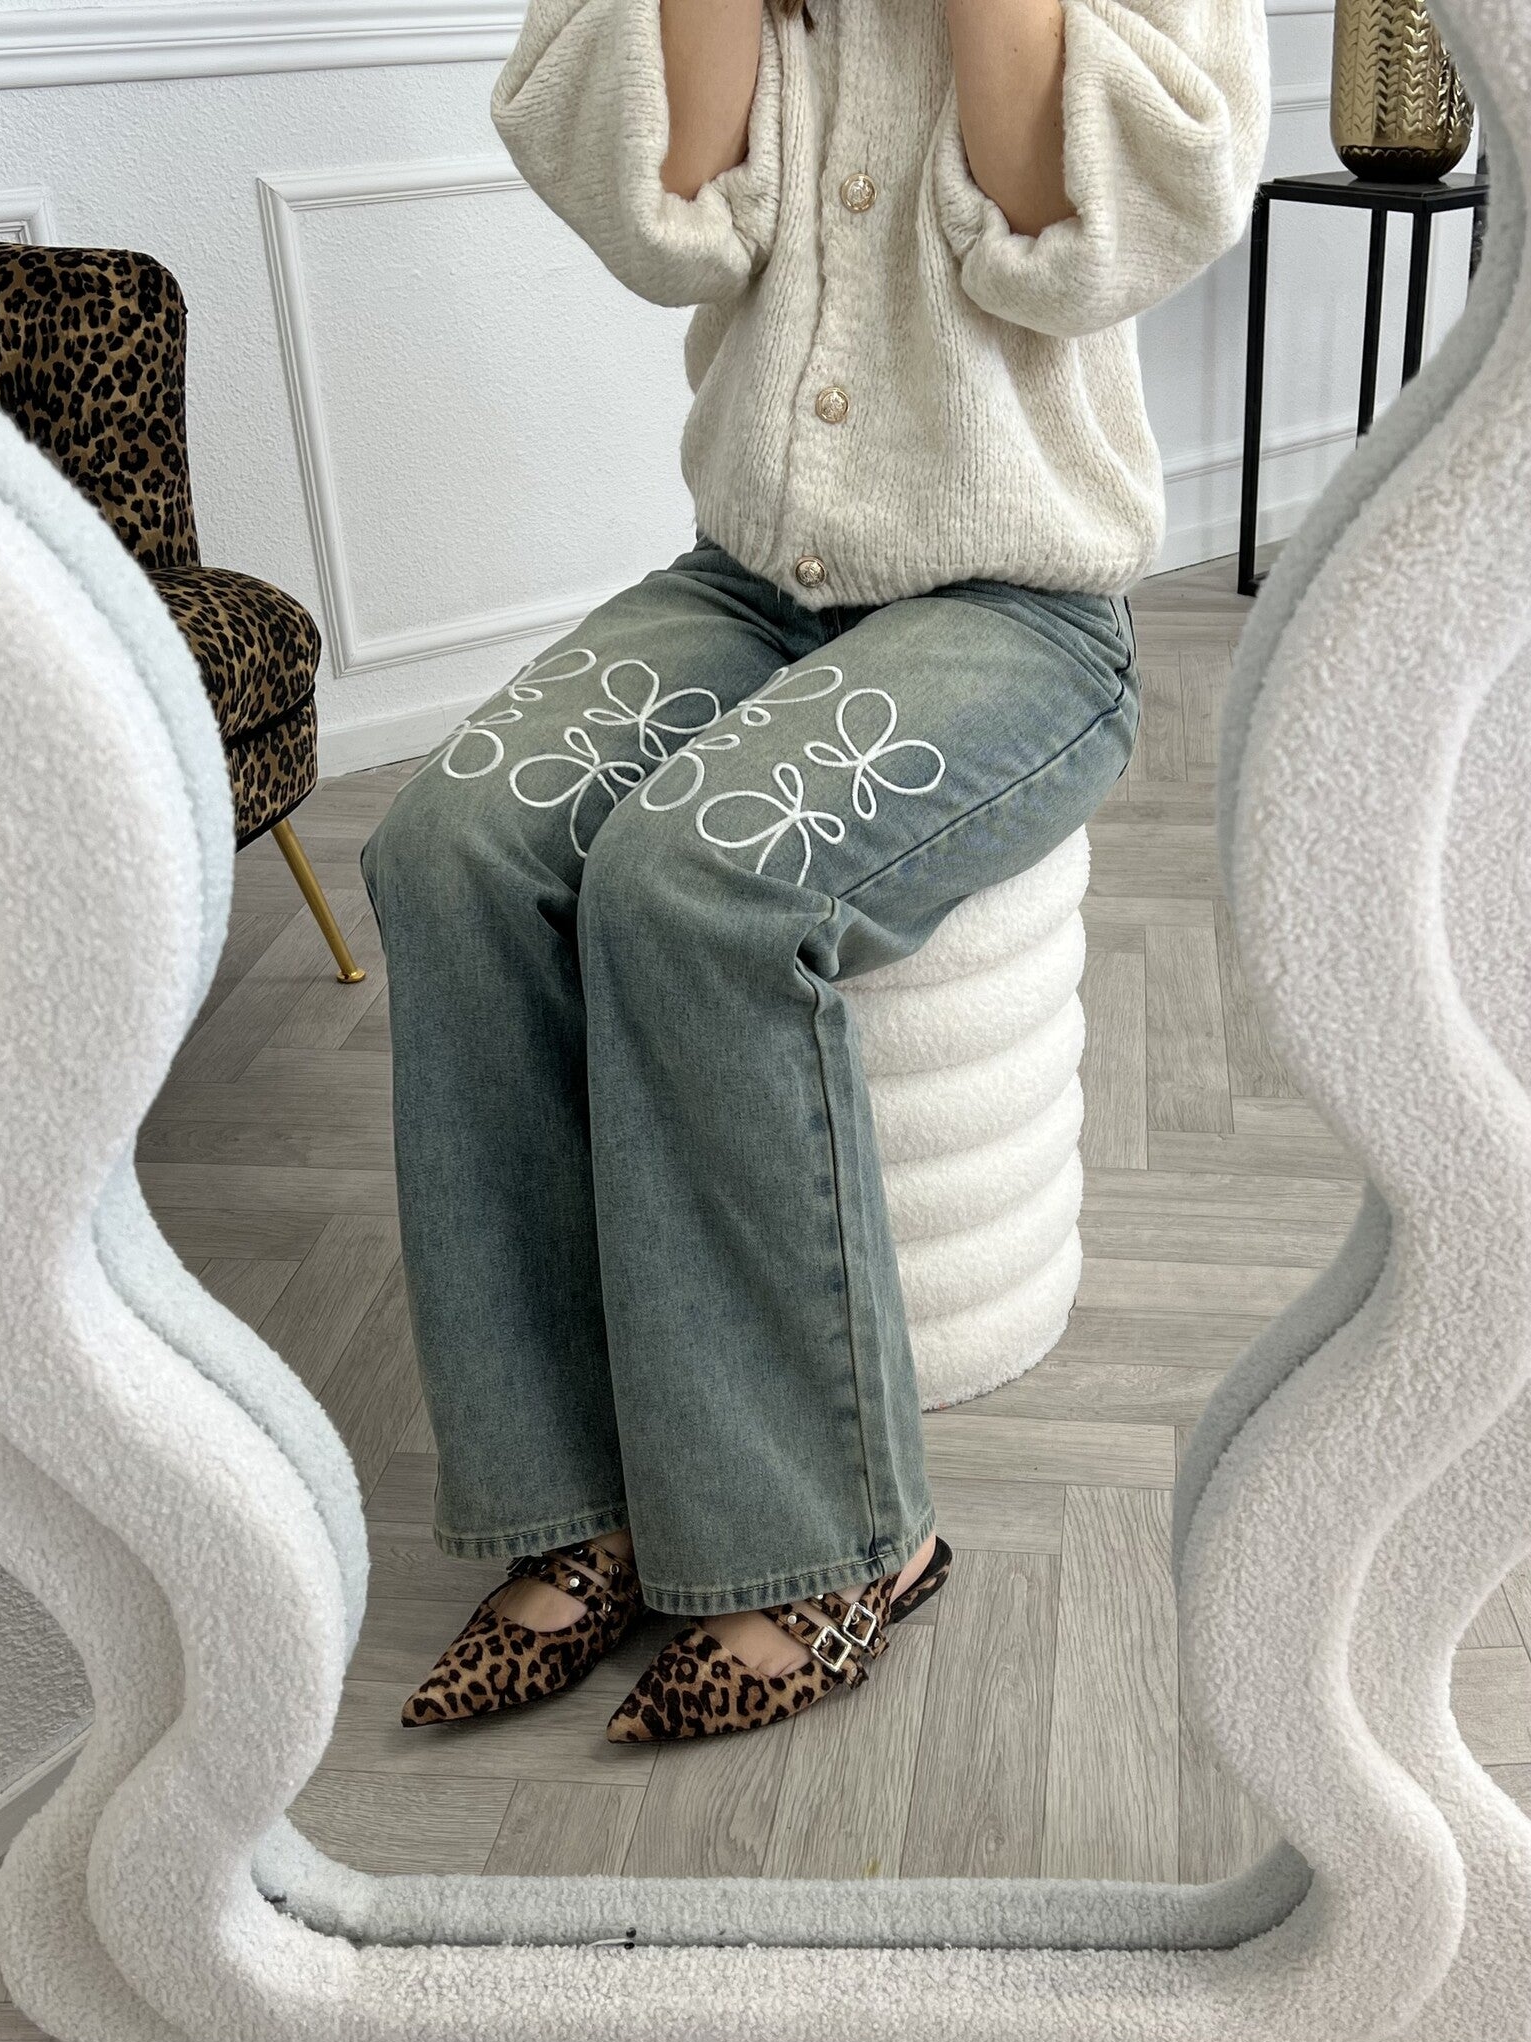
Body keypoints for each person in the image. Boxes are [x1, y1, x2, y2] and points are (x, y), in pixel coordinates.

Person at [360, 0, 1269, 1744]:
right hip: (747, 583)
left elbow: (1073, 242)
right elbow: (666, 223)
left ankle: (843, 1543)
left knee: (694, 879)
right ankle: (582, 1504)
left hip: (1020, 607)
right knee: (451, 843)